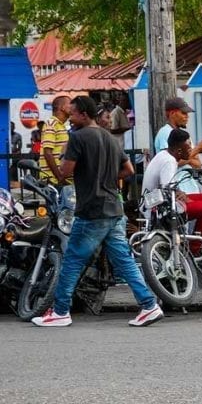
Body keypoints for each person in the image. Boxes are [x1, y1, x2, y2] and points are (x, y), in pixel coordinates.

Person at [32, 96, 163, 327]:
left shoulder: (77, 138)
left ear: (84, 114)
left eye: (72, 114)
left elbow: (64, 173)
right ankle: (149, 305)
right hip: (114, 207)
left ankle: (61, 311)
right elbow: (129, 169)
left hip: (91, 210)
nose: (69, 119)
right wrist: (105, 179)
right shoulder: (110, 138)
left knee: (72, 259)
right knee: (124, 260)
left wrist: (65, 159)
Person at [141, 128, 202, 255]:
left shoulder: (163, 154)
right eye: (189, 149)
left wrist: (179, 192)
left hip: (158, 202)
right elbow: (167, 188)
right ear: (179, 151)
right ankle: (192, 250)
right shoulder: (170, 162)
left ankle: (192, 244)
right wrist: (179, 193)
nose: (191, 151)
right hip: (160, 210)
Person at [153, 97, 202, 166]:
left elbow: (197, 164)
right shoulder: (165, 132)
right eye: (184, 113)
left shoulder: (183, 135)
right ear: (172, 113)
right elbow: (170, 162)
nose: (187, 116)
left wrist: (188, 159)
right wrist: (198, 149)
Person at [40, 95, 71, 184]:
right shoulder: (51, 124)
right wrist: (59, 177)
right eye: (70, 104)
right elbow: (48, 153)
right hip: (53, 180)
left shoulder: (61, 125)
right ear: (63, 108)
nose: (73, 107)